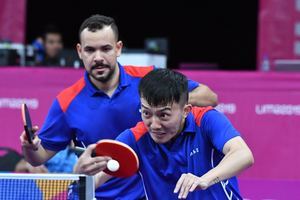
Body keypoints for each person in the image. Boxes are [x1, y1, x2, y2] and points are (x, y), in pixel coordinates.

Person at [20, 14, 218, 199]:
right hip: (95, 193)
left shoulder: (148, 78)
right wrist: (29, 147)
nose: (98, 57)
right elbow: (38, 158)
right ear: (80, 51)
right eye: (90, 50)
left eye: (105, 49)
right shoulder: (67, 101)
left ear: (118, 48)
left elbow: (209, 96)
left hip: (145, 193)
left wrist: (161, 102)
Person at [92, 69, 254, 199]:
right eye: (147, 113)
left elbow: (243, 154)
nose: (154, 125)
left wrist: (204, 179)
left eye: (164, 115)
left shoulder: (205, 120)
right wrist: (85, 174)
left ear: (185, 111)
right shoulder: (135, 138)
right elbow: (94, 179)